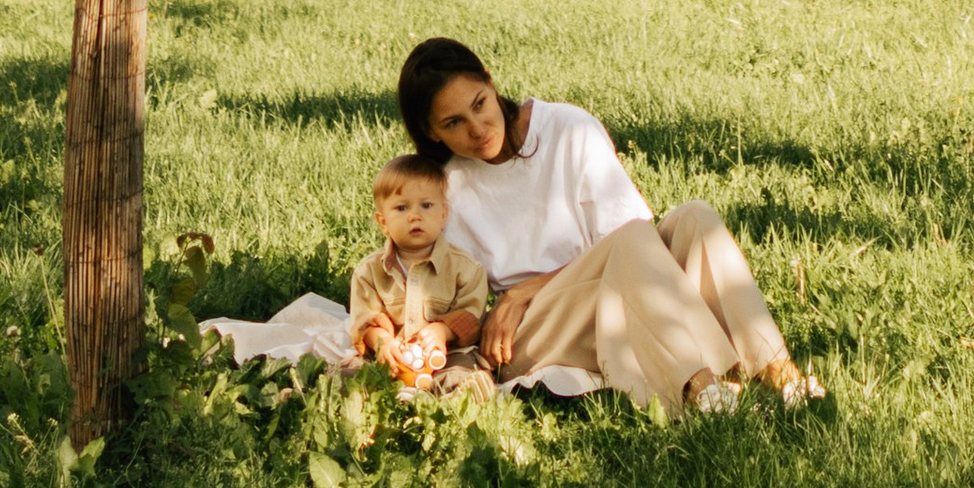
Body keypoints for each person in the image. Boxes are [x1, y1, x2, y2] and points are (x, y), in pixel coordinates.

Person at [395, 35, 823, 413]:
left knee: (695, 217)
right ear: (431, 133)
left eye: (479, 104)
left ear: (490, 82)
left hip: (607, 288)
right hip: (537, 330)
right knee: (631, 240)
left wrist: (524, 291)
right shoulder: (446, 189)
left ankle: (779, 372)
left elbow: (628, 242)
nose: (478, 128)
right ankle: (700, 387)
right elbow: (446, 298)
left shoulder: (566, 127)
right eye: (454, 123)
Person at [347, 149, 495, 399]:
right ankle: (312, 394)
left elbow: (472, 316)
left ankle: (462, 397)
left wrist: (443, 331)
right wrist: (383, 342)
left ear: (443, 214)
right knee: (353, 374)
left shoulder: (466, 269)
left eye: (426, 205)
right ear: (383, 222)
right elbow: (365, 320)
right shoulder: (369, 271)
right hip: (392, 358)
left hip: (444, 355)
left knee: (463, 369)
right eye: (402, 208)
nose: (415, 215)